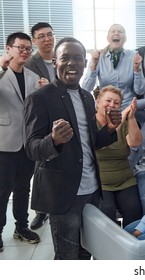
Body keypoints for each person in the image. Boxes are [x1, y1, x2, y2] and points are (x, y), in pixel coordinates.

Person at [24, 37, 121, 260]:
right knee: (67, 256)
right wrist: (54, 140)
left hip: (92, 190)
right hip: (63, 194)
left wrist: (110, 129)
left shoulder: (87, 97)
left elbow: (90, 143)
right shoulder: (39, 98)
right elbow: (31, 149)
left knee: (88, 251)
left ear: (85, 63)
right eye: (65, 58)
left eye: (78, 58)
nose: (72, 63)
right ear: (54, 62)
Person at [0, 32, 43, 253]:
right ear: (9, 49)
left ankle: (22, 227)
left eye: (28, 48)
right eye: (20, 47)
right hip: (5, 143)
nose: (25, 51)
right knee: (2, 189)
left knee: (23, 189)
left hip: (28, 143)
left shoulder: (33, 77)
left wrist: (46, 89)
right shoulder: (1, 74)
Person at [95, 85, 143, 228]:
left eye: (116, 103)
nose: (112, 105)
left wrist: (131, 117)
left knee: (134, 211)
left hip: (125, 179)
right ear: (98, 102)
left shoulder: (125, 122)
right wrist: (120, 119)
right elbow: (99, 143)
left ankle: (131, 247)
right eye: (108, 101)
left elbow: (135, 143)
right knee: (106, 213)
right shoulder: (90, 122)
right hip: (100, 182)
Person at [25, 22, 56, 230]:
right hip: (41, 121)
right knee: (40, 168)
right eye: (41, 36)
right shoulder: (29, 63)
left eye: (49, 35)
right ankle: (40, 211)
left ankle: (56, 205)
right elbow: (26, 94)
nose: (47, 39)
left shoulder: (62, 56)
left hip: (64, 118)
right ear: (34, 40)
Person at [82, 23, 145, 110]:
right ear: (108, 38)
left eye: (120, 31)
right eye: (113, 31)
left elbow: (140, 91)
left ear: (125, 39)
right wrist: (93, 66)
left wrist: (137, 69)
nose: (116, 33)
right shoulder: (99, 56)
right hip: (105, 108)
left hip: (127, 108)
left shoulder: (133, 55)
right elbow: (86, 89)